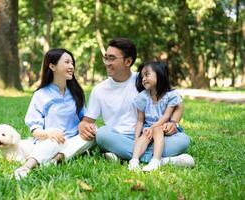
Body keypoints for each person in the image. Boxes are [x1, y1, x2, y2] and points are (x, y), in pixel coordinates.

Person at [79, 38, 194, 168]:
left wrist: (173, 122)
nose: (107, 63)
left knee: (183, 140)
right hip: (120, 138)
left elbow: (177, 101)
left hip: (151, 136)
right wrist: (83, 125)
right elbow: (87, 121)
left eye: (112, 58)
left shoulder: (144, 79)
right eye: (106, 58)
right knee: (102, 134)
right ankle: (163, 160)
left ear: (128, 61)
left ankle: (125, 156)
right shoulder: (99, 90)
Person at [14, 48, 94, 180]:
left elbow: (84, 119)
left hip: (74, 139)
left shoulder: (75, 92)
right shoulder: (41, 95)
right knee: (55, 142)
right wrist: (49, 133)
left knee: (95, 133)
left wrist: (88, 127)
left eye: (72, 63)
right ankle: (26, 167)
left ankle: (56, 159)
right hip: (51, 140)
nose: (71, 66)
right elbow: (35, 130)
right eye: (67, 62)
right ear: (52, 66)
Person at [128, 61, 185, 172]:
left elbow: (166, 116)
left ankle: (156, 160)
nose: (143, 79)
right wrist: (136, 138)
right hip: (148, 127)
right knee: (143, 137)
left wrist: (153, 128)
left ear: (160, 74)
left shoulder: (170, 96)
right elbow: (140, 120)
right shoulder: (143, 97)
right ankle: (134, 161)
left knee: (158, 130)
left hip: (163, 127)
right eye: (142, 76)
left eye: (147, 74)